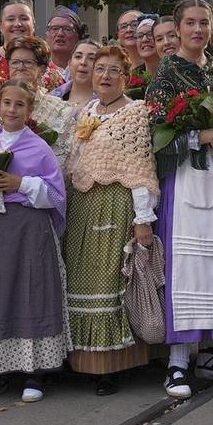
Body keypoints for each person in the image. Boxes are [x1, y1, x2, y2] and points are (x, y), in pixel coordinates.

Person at [146, 0, 213, 397]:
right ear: (178, 28)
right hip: (185, 178)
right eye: (191, 23)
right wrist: (203, 134)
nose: (198, 30)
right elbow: (154, 132)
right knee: (185, 267)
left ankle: (212, 350)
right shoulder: (167, 72)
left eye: (204, 23)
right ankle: (179, 360)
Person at [63, 44, 157, 394]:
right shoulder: (87, 110)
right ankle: (83, 361)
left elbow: (139, 170)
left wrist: (142, 219)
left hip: (116, 205)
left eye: (113, 70)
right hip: (82, 205)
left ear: (125, 77)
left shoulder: (134, 114)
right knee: (81, 280)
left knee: (109, 280)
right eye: (99, 68)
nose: (104, 75)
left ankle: (111, 366)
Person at [0, 79, 70, 404]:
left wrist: (21, 183)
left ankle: (34, 371)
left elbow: (55, 196)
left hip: (30, 230)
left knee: (32, 290)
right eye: (7, 103)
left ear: (29, 110)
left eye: (19, 105)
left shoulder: (39, 148)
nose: (12, 110)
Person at [0, 37, 72, 140]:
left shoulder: (59, 110)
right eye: (15, 62)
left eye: (28, 62)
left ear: (42, 69)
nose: (21, 67)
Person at [56, 39, 100, 112]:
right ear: (69, 63)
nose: (83, 62)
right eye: (78, 56)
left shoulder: (105, 103)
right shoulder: (53, 97)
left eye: (91, 58)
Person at [46, 6, 83, 85]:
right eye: (54, 28)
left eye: (67, 29)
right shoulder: (38, 69)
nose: (60, 34)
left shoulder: (85, 69)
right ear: (47, 35)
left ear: (77, 36)